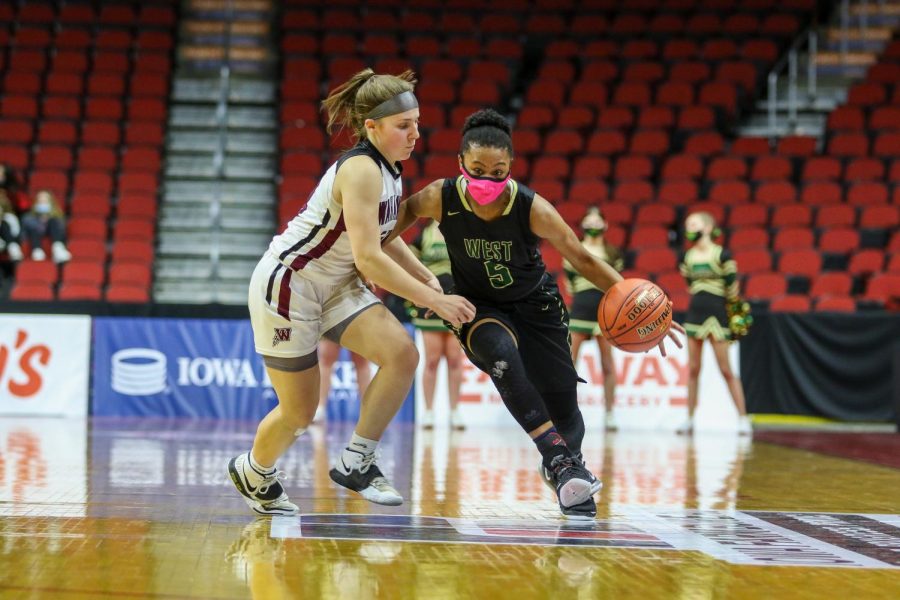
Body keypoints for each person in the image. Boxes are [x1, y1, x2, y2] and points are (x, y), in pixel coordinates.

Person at [392, 109, 683, 519]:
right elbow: (392, 226)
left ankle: (567, 470)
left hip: (537, 304)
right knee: (501, 358)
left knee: (563, 403)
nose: (487, 180)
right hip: (478, 304)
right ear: (461, 165)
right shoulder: (439, 196)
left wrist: (635, 300)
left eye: (498, 171)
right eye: (477, 169)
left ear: (510, 169)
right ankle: (560, 462)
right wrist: (373, 257)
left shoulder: (532, 207)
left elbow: (582, 257)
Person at [227, 69, 475, 516]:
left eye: (417, 122)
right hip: (291, 283)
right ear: (372, 127)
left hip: (337, 284)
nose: (415, 133)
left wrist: (425, 275)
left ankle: (357, 460)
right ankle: (253, 470)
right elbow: (368, 258)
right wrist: (432, 298)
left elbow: (385, 235)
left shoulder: (390, 171)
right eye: (405, 126)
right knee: (299, 412)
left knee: (402, 355)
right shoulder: (360, 169)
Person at [677, 211, 751, 435]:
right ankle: (689, 420)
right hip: (695, 314)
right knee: (692, 369)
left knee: (726, 369)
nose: (690, 228)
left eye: (695, 224)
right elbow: (690, 284)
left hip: (718, 314)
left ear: (708, 228)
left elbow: (732, 289)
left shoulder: (723, 255)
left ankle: (742, 419)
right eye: (688, 224)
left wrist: (734, 315)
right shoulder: (686, 257)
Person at [563, 206, 623, 431]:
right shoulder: (573, 249)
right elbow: (570, 284)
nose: (594, 225)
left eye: (598, 222)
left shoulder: (613, 253)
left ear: (605, 226)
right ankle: (566, 411)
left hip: (604, 310)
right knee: (569, 364)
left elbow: (616, 283)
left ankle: (609, 414)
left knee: (607, 363)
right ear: (583, 225)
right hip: (579, 309)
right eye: (589, 221)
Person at [408, 220, 464, 429]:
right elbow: (408, 266)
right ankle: (429, 412)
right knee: (431, 360)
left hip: (457, 303)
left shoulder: (462, 232)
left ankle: (454, 412)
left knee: (455, 360)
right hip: (430, 305)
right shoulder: (424, 236)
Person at [315, 338, 372, 422]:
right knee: (325, 357)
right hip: (332, 326)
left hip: (357, 326)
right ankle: (320, 408)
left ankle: (369, 411)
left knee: (362, 361)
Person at [21, 190, 71, 263]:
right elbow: (25, 228)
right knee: (33, 228)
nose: (42, 202)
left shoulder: (57, 216)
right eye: (40, 201)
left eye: (45, 201)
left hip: (52, 233)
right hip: (35, 235)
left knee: (53, 221)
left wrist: (48, 218)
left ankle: (57, 247)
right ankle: (37, 251)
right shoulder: (29, 216)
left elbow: (62, 229)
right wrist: (40, 220)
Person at [0, 190, 24, 262]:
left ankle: (12, 246)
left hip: (7, 242)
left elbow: (15, 232)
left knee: (4, 224)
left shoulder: (10, 217)